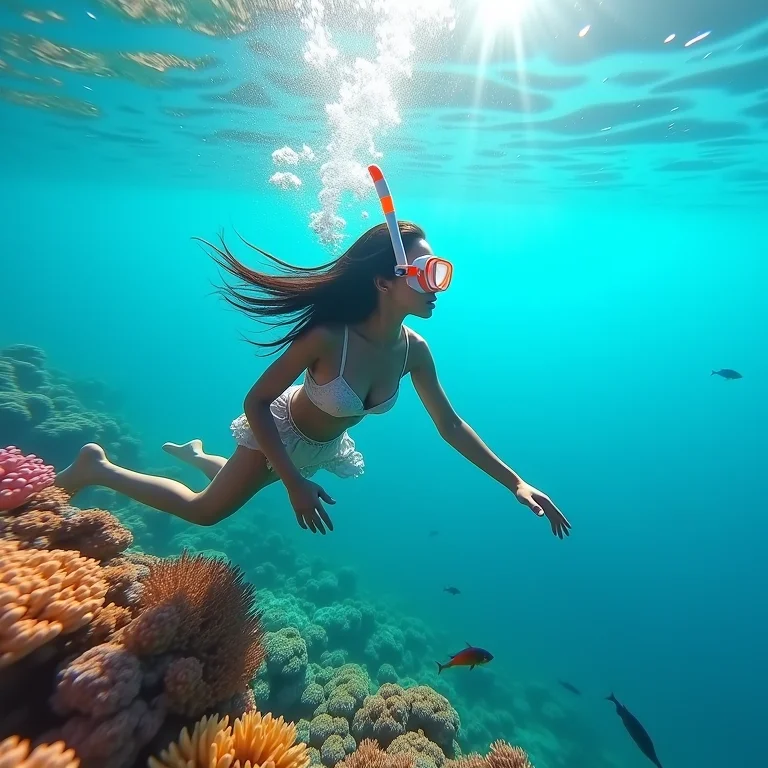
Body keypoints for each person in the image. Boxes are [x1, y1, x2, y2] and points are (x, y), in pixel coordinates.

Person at [56, 166, 570, 539]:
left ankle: (195, 455)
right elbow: (254, 403)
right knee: (206, 512)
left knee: (248, 486)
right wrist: (294, 481)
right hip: (277, 436)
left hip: (320, 449)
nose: (438, 285)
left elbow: (451, 426)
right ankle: (96, 466)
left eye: (442, 272)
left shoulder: (416, 351)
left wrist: (516, 483)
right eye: (428, 272)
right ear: (384, 282)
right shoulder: (328, 338)